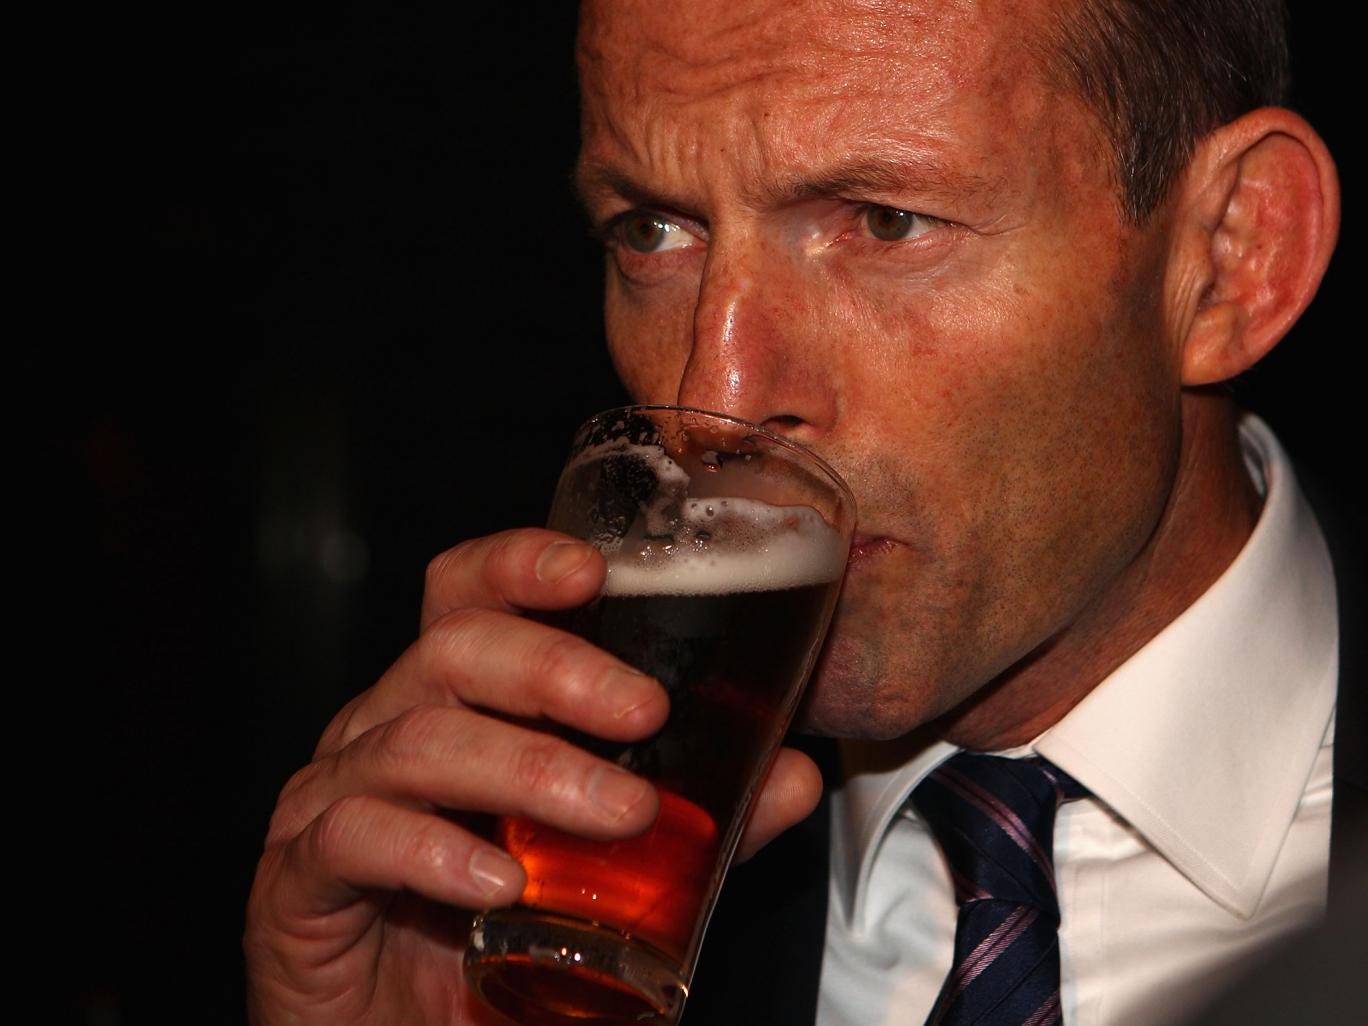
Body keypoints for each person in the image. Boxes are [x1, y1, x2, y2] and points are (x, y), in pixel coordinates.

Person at [244, 1, 1354, 1023]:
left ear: (1233, 256)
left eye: (887, 221)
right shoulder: (583, 902)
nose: (715, 399)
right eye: (652, 231)